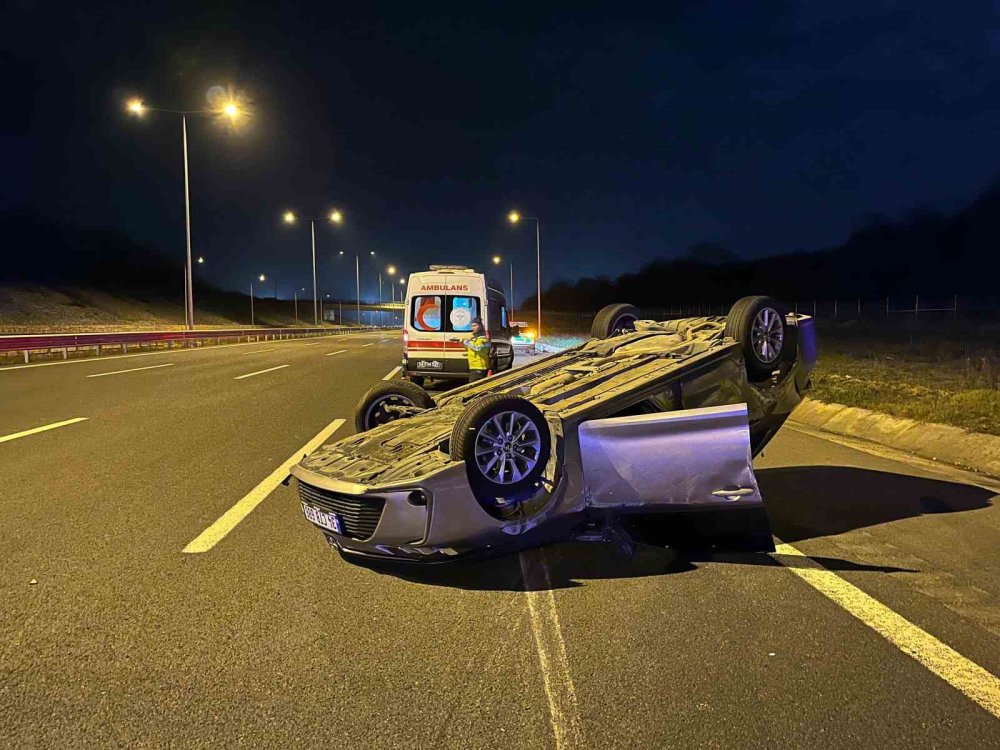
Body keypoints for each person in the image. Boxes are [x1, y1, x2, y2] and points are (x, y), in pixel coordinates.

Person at [463, 317, 490, 382]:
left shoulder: (483, 339)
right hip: (474, 366)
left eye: (475, 325)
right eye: (472, 326)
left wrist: (467, 342)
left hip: (480, 366)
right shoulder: (474, 338)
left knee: (473, 387)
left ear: (480, 326)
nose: (473, 328)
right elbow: (469, 348)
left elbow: (477, 348)